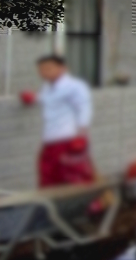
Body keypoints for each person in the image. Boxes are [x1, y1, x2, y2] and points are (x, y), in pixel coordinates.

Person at [20, 54, 96, 188]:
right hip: (50, 140)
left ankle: (85, 201)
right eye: (41, 69)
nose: (44, 72)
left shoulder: (75, 86)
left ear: (62, 68)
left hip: (68, 140)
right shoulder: (47, 87)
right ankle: (51, 201)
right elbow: (47, 99)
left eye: (48, 68)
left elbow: (84, 109)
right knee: (48, 176)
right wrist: (33, 98)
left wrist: (81, 135)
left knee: (74, 177)